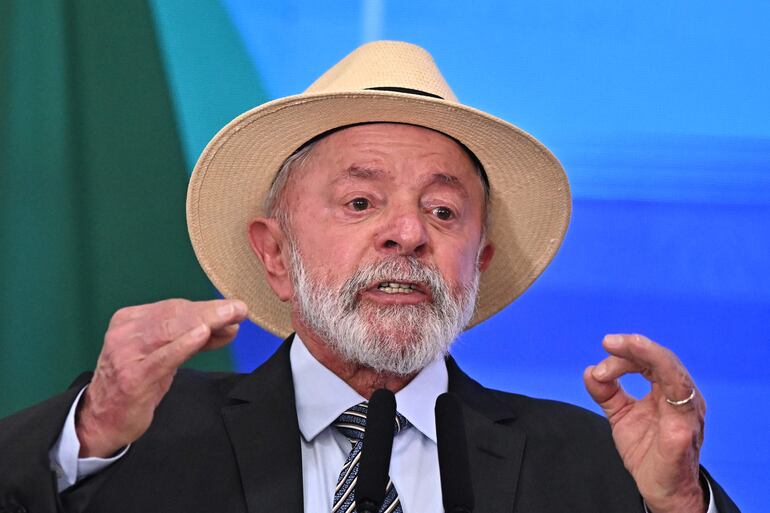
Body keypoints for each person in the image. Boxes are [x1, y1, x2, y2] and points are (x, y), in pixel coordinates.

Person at [0, 41, 739, 513]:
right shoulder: (137, 436)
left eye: (443, 211)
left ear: (477, 263)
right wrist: (94, 430)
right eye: (361, 202)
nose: (408, 233)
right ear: (275, 254)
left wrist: (677, 503)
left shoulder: (587, 463)